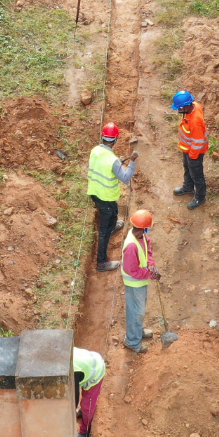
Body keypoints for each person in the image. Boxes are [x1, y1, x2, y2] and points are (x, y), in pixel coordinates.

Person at [87, 122, 137, 271]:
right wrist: (132, 162)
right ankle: (102, 262)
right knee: (104, 230)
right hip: (106, 196)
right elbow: (126, 178)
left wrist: (118, 164)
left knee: (114, 211)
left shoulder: (95, 150)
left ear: (103, 137)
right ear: (115, 140)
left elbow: (103, 166)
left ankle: (113, 225)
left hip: (95, 192)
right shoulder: (113, 160)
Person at [120, 208, 160, 353]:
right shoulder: (131, 246)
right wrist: (149, 273)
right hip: (134, 284)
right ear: (143, 228)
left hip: (141, 282)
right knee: (136, 312)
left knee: (139, 310)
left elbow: (148, 251)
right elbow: (132, 270)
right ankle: (132, 341)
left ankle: (138, 332)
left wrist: (152, 265)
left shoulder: (142, 237)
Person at [171, 89, 207, 208]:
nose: (178, 110)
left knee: (196, 174)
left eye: (180, 108)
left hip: (194, 152)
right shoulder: (193, 106)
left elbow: (198, 142)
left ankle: (200, 197)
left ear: (186, 106)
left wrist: (192, 156)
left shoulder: (196, 121)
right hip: (188, 149)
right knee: (187, 169)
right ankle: (188, 187)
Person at [73, 347, 107, 437]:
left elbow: (74, 395)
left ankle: (85, 431)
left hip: (95, 373)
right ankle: (82, 413)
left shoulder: (73, 370)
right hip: (89, 364)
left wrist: (71, 413)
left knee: (87, 406)